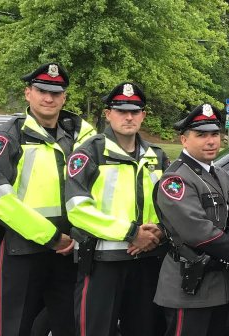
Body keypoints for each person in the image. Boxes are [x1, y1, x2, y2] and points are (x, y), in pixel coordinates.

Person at [0, 62, 96, 336]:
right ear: (27, 93)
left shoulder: (82, 139)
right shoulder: (6, 139)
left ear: (64, 97)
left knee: (71, 326)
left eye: (56, 93)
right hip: (22, 250)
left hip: (71, 250)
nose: (49, 98)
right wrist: (52, 237)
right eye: (42, 91)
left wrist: (76, 235)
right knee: (15, 326)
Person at [65, 82, 169, 336]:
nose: (129, 117)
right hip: (102, 264)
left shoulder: (157, 157)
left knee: (146, 329)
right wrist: (131, 232)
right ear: (108, 114)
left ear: (143, 115)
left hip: (147, 261)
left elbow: (172, 205)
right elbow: (77, 208)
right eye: (121, 111)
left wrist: (161, 231)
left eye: (135, 111)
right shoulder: (89, 154)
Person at [152, 104, 229, 335]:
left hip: (219, 285)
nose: (211, 141)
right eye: (201, 135)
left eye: (215, 134)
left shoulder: (222, 176)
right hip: (188, 287)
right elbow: (196, 230)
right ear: (184, 140)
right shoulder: (175, 180)